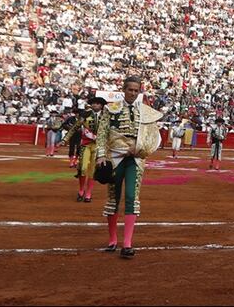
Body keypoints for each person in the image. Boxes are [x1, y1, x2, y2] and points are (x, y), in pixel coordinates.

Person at [96, 76, 164, 259]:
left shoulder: (146, 112)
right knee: (113, 197)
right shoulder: (111, 109)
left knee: (132, 197)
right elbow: (102, 134)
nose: (133, 93)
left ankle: (127, 244)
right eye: (130, 89)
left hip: (135, 159)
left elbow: (153, 137)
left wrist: (140, 147)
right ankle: (112, 240)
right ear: (123, 90)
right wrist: (101, 155)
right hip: (114, 158)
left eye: (136, 90)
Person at [59, 96, 106, 202]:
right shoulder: (85, 115)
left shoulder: (106, 116)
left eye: (98, 104)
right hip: (86, 144)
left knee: (93, 170)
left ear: (101, 106)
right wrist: (65, 139)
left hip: (99, 146)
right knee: (83, 168)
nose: (95, 105)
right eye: (93, 103)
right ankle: (81, 190)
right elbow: (75, 127)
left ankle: (88, 193)